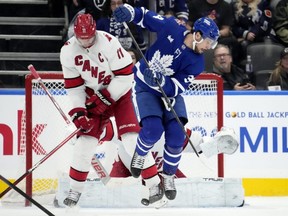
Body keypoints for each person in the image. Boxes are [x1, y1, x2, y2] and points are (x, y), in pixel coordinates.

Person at [113, 3, 220, 201]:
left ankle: (168, 175)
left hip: (169, 93)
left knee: (178, 135)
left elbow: (179, 87)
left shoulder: (197, 62)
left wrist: (162, 81)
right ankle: (140, 154)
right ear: (197, 35)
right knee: (153, 130)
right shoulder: (172, 26)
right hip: (145, 86)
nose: (209, 47)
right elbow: (147, 17)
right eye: (209, 42)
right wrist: (129, 12)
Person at [60, 13, 159, 207]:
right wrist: (79, 111)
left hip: (119, 95)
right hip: (93, 98)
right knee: (85, 143)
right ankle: (74, 190)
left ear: (94, 30)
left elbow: (126, 75)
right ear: (75, 34)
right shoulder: (67, 51)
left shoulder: (109, 42)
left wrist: (106, 97)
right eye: (81, 38)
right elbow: (74, 86)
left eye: (89, 37)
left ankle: (154, 184)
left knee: (131, 140)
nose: (86, 41)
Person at [187, 0, 241, 64]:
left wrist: (212, 34)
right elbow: (187, 25)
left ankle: (232, 68)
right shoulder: (194, 4)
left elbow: (226, 30)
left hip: (217, 37)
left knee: (233, 41)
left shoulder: (226, 6)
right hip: (198, 36)